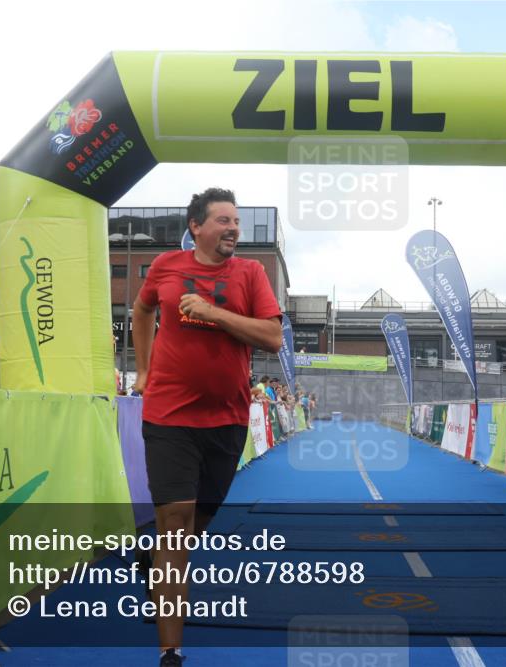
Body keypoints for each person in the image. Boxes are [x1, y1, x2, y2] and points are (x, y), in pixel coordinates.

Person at [131, 187, 282, 667]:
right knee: (176, 528)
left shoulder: (251, 272)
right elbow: (141, 311)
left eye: (236, 221)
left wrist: (214, 312)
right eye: (223, 220)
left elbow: (274, 337)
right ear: (196, 226)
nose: (233, 228)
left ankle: (150, 555)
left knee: (196, 526)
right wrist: (143, 369)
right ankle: (170, 653)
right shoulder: (165, 266)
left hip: (228, 418)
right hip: (168, 415)